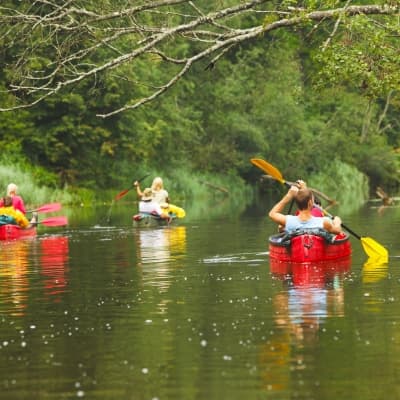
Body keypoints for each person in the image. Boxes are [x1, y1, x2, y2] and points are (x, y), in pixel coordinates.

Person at [269, 186, 342, 234]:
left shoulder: (288, 221)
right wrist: (337, 221)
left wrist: (288, 196)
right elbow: (338, 231)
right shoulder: (324, 222)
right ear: (310, 202)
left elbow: (272, 214)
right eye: (313, 200)